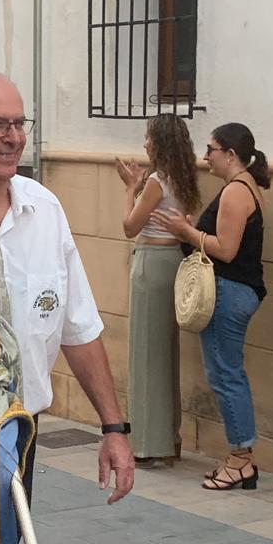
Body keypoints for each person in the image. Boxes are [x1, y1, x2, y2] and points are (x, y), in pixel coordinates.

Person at [0, 70, 135, 503]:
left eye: (19, 124)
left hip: (18, 429)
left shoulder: (44, 209)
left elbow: (77, 326)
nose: (13, 138)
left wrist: (113, 428)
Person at [156, 122, 270, 491]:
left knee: (225, 374)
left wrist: (186, 232)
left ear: (231, 155)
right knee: (225, 373)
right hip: (234, 290)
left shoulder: (237, 191)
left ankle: (241, 460)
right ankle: (240, 457)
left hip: (230, 291)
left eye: (211, 149)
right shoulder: (241, 187)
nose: (205, 157)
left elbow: (226, 249)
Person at [115, 114, 200, 469]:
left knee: (146, 352)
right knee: (166, 351)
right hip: (174, 262)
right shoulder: (185, 179)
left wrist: (129, 188)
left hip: (151, 261)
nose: (145, 144)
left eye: (149, 138)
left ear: (160, 142)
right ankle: (171, 436)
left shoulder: (155, 181)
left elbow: (129, 227)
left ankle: (148, 442)